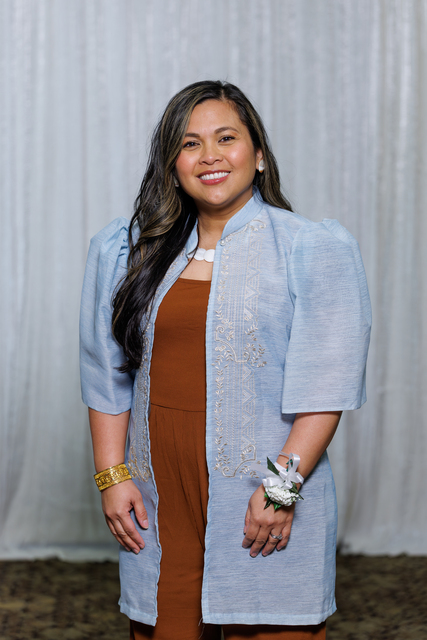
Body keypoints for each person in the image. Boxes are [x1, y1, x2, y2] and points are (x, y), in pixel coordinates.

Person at [80, 80, 371, 640]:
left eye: (226, 138)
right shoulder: (130, 250)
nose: (209, 156)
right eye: (190, 144)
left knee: (270, 626)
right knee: (164, 625)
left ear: (258, 154)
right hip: (159, 493)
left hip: (262, 489)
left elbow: (326, 385)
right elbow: (105, 370)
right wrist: (112, 477)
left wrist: (281, 490)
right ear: (172, 165)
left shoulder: (309, 247)